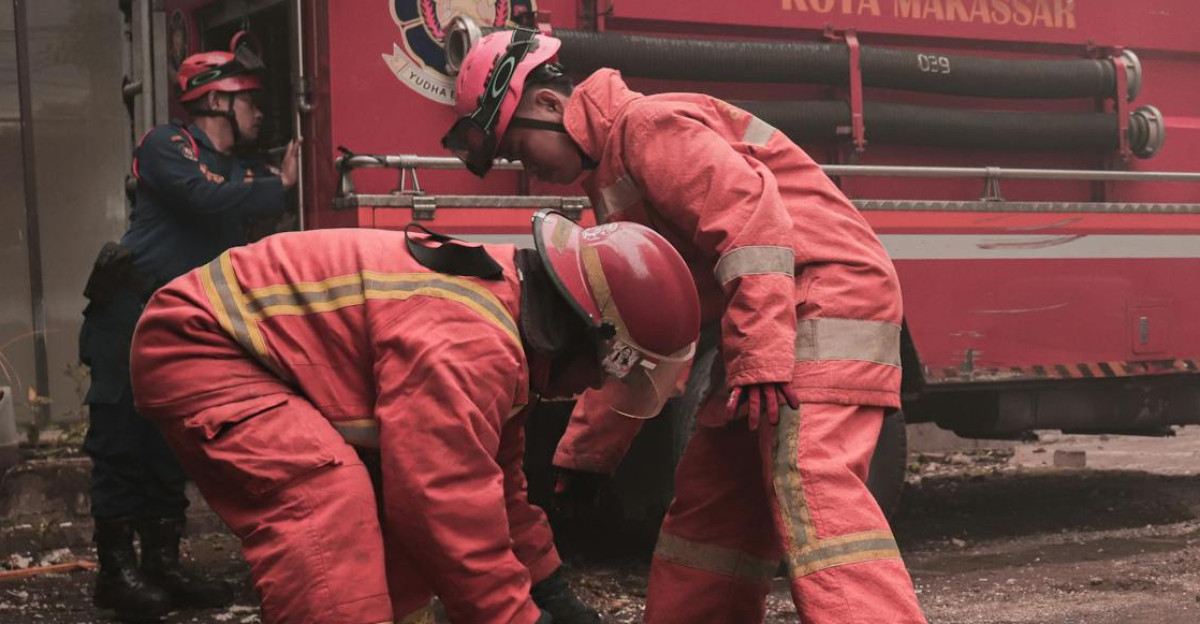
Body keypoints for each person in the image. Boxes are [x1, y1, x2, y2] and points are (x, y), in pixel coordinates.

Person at [444, 28, 928, 624]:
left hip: (822, 293)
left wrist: (761, 358)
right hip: (769, 316)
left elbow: (751, 224)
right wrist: (588, 452)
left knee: (808, 481)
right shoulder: (613, 182)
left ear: (548, 103)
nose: (531, 170)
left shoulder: (647, 127)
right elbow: (637, 339)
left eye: (520, 148)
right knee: (714, 507)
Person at [127, 212, 701, 624]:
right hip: (202, 343)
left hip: (243, 346)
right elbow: (443, 502)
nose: (594, 387)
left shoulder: (511, 321)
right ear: (584, 329)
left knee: (401, 528)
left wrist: (549, 590)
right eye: (605, 370)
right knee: (328, 503)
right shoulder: (472, 344)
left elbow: (493, 486)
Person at [80, 44, 299, 622]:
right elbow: (205, 198)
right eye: (249, 99)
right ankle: (115, 574)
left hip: (182, 322)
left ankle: (162, 564)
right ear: (217, 100)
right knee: (120, 438)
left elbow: (246, 206)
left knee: (168, 442)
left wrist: (272, 184)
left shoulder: (241, 171)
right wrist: (277, 184)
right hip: (128, 311)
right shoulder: (168, 145)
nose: (259, 112)